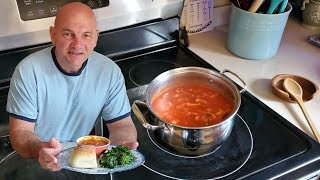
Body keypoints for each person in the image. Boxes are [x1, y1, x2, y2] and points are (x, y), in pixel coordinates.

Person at [6, 2, 138, 171]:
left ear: (96, 37)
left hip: (80, 160)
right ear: (53, 35)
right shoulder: (28, 71)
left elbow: (121, 125)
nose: (77, 44)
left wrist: (124, 145)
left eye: (86, 35)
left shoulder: (109, 72)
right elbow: (20, 133)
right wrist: (41, 149)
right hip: (33, 159)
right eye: (68, 34)